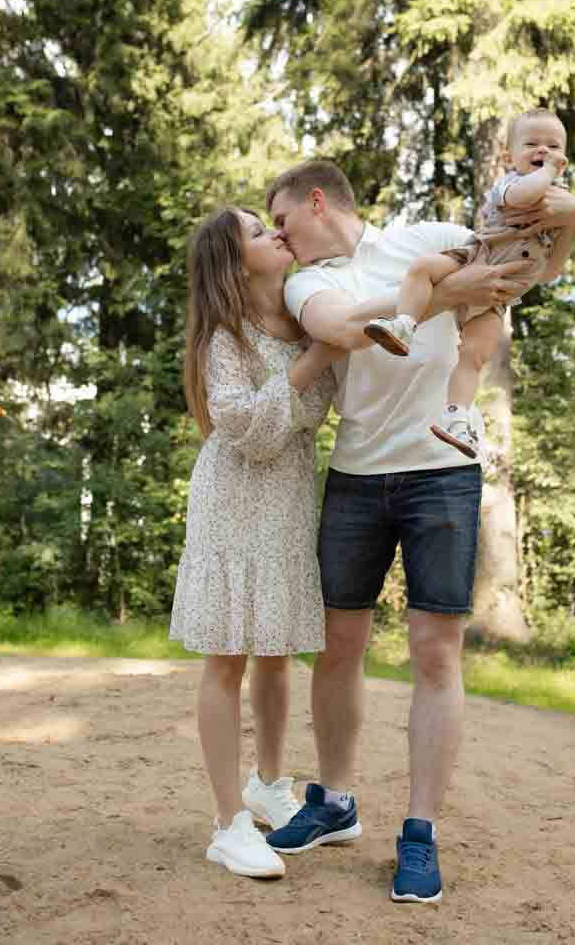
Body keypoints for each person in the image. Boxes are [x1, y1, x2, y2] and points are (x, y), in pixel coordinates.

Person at [261, 157, 575, 903]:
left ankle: (419, 832)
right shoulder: (307, 281)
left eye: (283, 220)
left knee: (436, 652)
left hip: (443, 470)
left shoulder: (429, 236)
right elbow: (340, 328)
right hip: (355, 476)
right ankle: (334, 802)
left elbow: (511, 278)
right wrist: (449, 293)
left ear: (318, 202)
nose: (279, 237)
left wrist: (544, 225)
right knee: (336, 648)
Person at [170, 206, 338, 880]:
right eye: (258, 231)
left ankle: (268, 784)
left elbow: (313, 413)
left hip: (288, 502)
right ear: (237, 264)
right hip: (232, 503)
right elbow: (245, 429)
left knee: (276, 653)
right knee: (228, 660)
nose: (277, 233)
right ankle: (227, 823)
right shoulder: (225, 337)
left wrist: (309, 364)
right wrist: (309, 367)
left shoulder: (308, 322)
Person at [363, 109, 575, 458]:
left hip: (499, 294)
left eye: (553, 146)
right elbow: (525, 196)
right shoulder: (509, 184)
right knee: (422, 268)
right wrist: (551, 175)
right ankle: (404, 324)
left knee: (474, 357)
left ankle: (456, 417)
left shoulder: (563, 196)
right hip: (476, 257)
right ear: (509, 158)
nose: (543, 150)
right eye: (532, 144)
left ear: (565, 160)